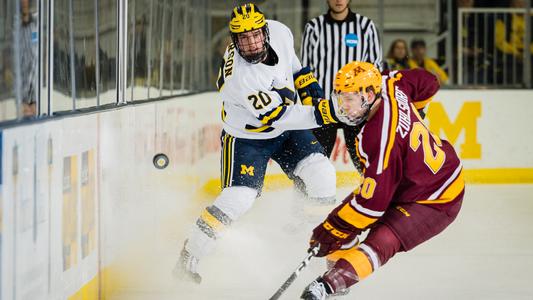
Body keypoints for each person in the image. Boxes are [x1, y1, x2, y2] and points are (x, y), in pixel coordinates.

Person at [173, 3, 340, 283]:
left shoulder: (280, 32)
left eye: (255, 35)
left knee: (323, 174)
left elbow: (293, 64)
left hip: (284, 127)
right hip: (248, 138)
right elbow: (280, 115)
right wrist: (329, 111)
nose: (250, 44)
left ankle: (322, 248)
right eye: (242, 39)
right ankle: (190, 253)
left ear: (265, 31)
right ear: (234, 40)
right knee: (238, 200)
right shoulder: (242, 78)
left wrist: (306, 83)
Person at [299, 61, 464, 299]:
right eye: (341, 98)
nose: (343, 107)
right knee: (348, 217)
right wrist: (415, 108)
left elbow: (371, 206)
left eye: (349, 99)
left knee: (383, 238)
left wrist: (329, 230)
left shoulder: (378, 138)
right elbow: (429, 82)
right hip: (414, 179)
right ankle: (338, 267)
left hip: (437, 196)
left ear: (368, 94)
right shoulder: (388, 82)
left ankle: (328, 286)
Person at [301, 0, 382, 171]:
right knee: (314, 163)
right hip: (325, 106)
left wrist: (370, 102)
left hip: (357, 107)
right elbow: (306, 70)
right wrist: (311, 102)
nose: (339, 0)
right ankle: (304, 198)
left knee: (366, 162)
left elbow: (375, 67)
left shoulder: (365, 26)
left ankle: (374, 193)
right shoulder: (314, 27)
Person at [19, 0, 38, 117]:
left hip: (34, 76)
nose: (24, 3)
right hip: (22, 79)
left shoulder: (35, 24)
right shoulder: (16, 27)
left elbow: (36, 49)